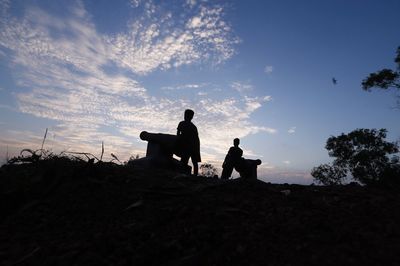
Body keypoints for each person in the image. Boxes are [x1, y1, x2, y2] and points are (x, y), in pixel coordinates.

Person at [177, 109, 201, 175]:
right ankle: (194, 175)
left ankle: (182, 173)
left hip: (188, 145)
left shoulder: (182, 123)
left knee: (184, 161)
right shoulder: (194, 127)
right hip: (194, 145)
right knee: (194, 162)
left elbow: (178, 134)